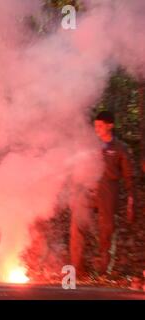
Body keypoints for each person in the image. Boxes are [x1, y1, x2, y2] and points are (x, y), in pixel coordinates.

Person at [70, 111, 135, 275]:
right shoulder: (89, 146)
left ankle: (103, 271)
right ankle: (77, 268)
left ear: (110, 126)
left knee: (106, 230)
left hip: (108, 192)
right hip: (87, 190)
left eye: (100, 126)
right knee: (77, 225)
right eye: (95, 126)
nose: (97, 129)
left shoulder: (120, 148)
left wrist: (131, 197)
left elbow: (129, 175)